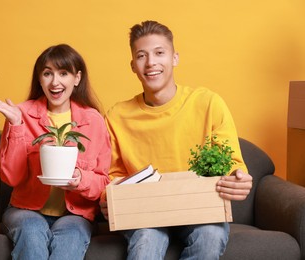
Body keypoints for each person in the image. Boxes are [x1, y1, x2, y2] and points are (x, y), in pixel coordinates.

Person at [100, 20, 253, 260]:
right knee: (147, 240)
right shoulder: (116, 117)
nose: (151, 63)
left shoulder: (208, 103)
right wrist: (106, 198)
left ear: (174, 58)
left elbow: (232, 163)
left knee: (211, 236)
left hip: (199, 209)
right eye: (142, 56)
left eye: (159, 53)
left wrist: (238, 180)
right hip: (143, 212)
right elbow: (110, 175)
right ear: (133, 65)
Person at [0, 44, 111, 260]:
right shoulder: (20, 114)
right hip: (26, 210)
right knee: (32, 231)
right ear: (40, 79)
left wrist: (81, 179)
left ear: (77, 78)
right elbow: (11, 177)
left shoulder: (93, 121)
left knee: (71, 238)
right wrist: (16, 125)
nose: (55, 82)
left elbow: (103, 181)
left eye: (63, 73)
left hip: (75, 214)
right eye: (47, 73)